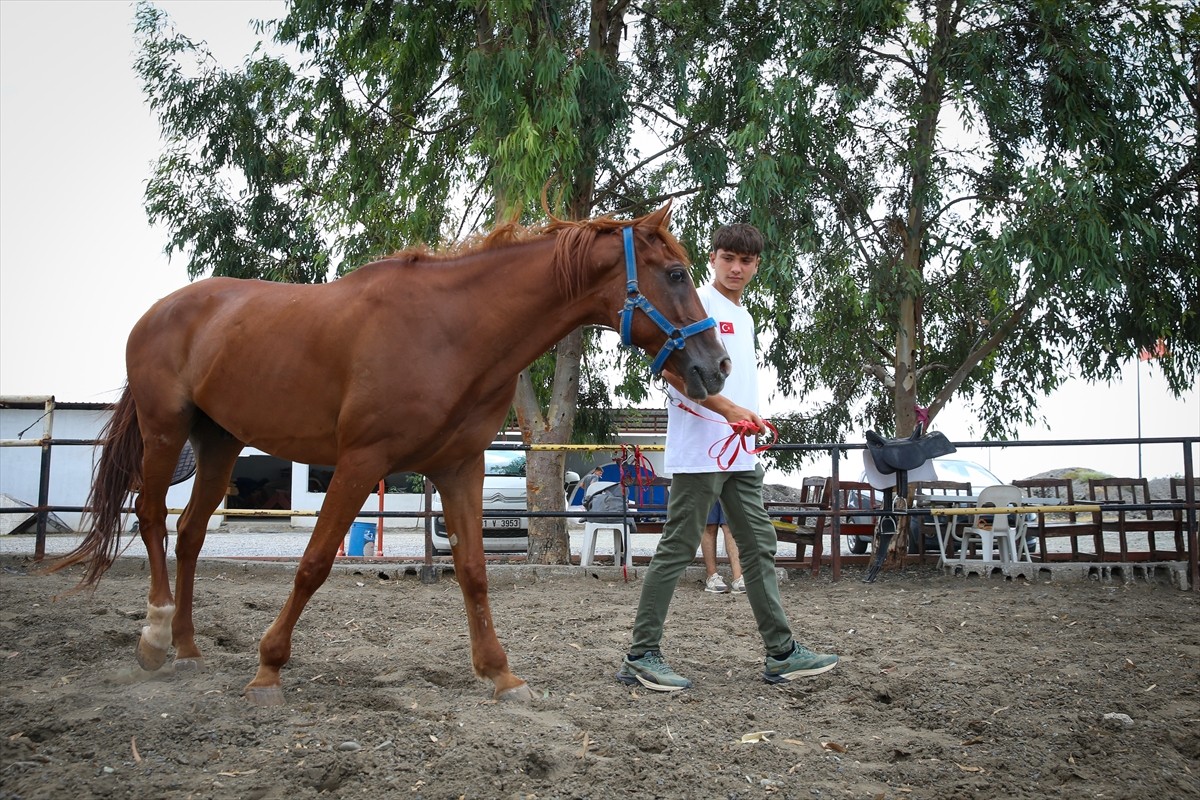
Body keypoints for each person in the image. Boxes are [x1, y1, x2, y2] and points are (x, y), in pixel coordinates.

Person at [616, 223, 838, 692]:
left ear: (757, 265)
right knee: (678, 548)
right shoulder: (698, 303)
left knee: (758, 546)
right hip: (701, 451)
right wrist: (730, 411)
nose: (737, 268)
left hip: (741, 453)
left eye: (747, 261)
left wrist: (747, 418)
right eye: (728, 258)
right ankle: (640, 655)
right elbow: (673, 375)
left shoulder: (747, 316)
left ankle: (781, 653)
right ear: (712, 257)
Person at [701, 500, 744, 594]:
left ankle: (738, 577)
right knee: (709, 525)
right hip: (706, 486)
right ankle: (711, 576)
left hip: (729, 485)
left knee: (731, 525)